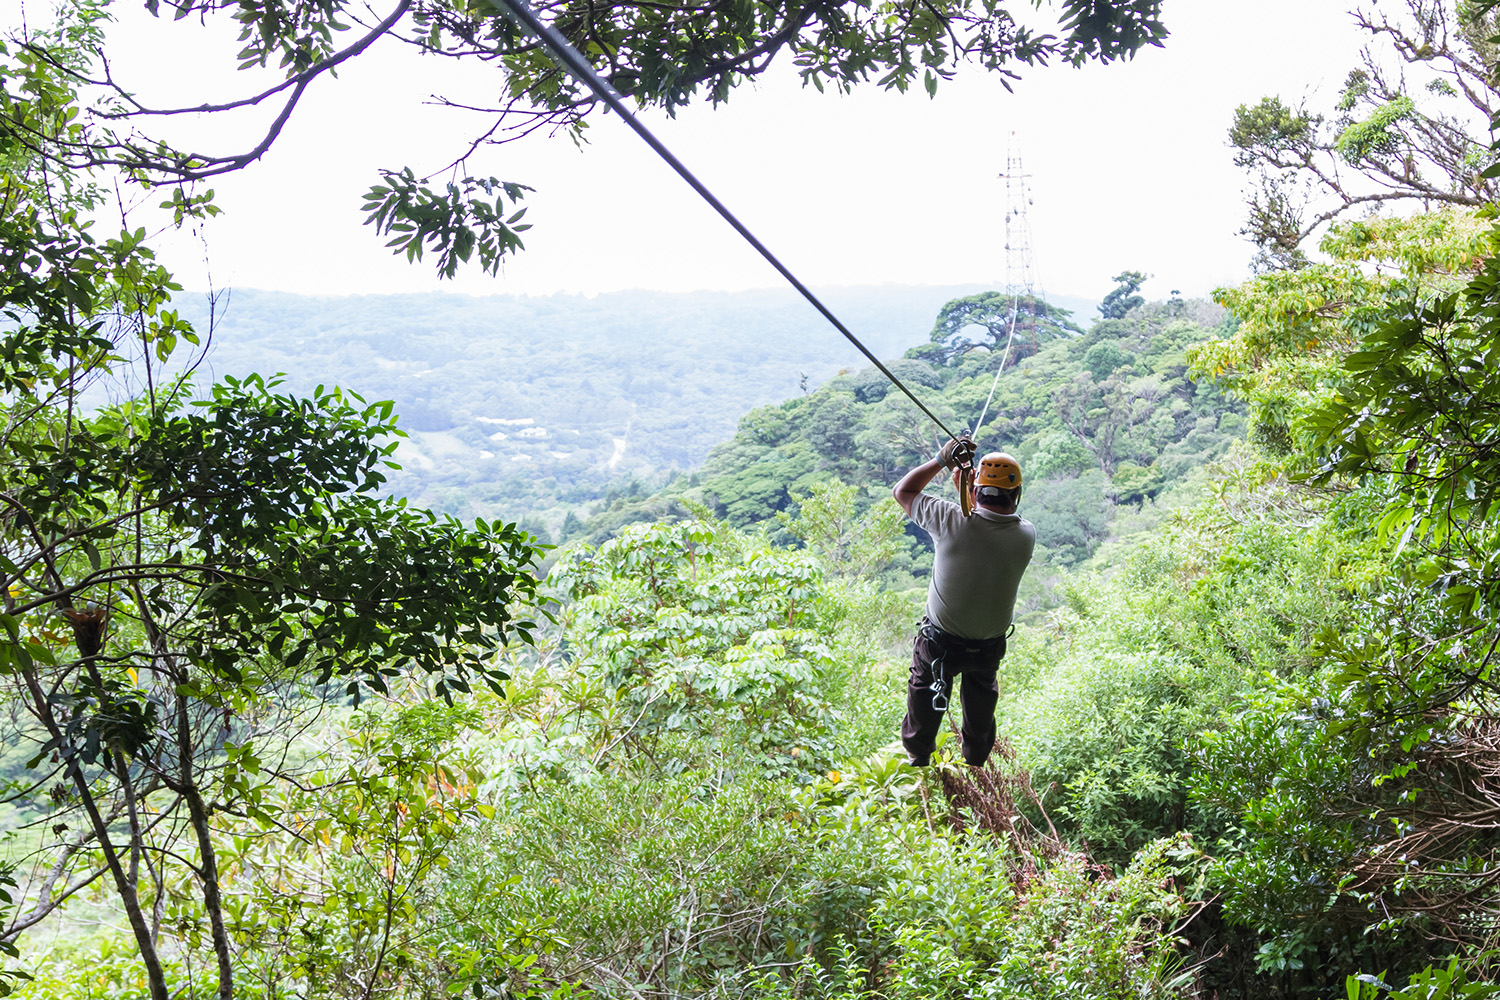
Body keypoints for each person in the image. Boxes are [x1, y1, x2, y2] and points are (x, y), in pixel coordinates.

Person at [891, 438, 1035, 767]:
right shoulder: (1025, 535)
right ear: (1016, 494)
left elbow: (904, 492)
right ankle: (976, 755)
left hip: (941, 642)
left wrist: (942, 459)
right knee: (982, 696)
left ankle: (918, 751)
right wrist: (968, 490)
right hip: (987, 646)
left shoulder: (950, 520)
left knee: (925, 687)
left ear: (976, 490)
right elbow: (985, 522)